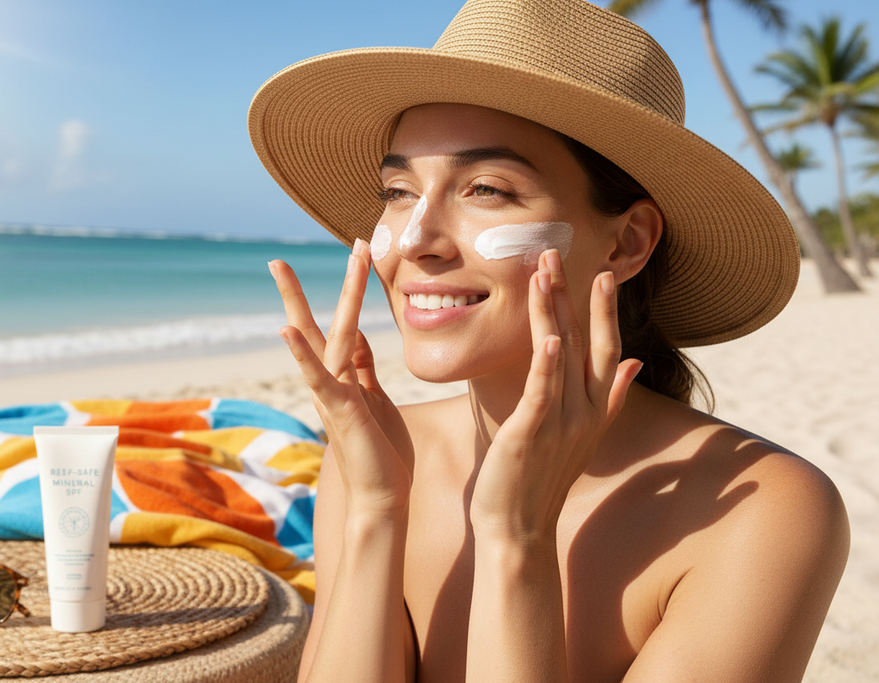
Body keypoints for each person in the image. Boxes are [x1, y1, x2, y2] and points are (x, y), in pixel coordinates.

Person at [249, 0, 850, 680]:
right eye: (397, 190)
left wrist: (517, 540)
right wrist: (375, 511)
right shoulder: (380, 460)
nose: (414, 239)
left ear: (626, 242)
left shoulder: (760, 509)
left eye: (485, 189)